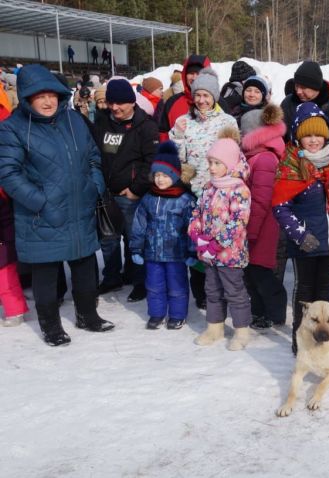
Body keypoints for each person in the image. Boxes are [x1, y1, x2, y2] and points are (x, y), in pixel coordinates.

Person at [0, 64, 112, 346]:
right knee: (46, 275)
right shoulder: (12, 128)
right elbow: (8, 174)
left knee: (85, 267)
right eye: (40, 96)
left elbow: (93, 157)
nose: (48, 101)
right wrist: (40, 201)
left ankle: (88, 315)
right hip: (41, 216)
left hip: (80, 208)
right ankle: (51, 326)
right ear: (27, 97)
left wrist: (94, 186)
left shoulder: (73, 120)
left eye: (52, 94)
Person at [272, 102, 329, 355]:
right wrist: (299, 234)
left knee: (325, 291)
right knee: (305, 292)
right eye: (308, 135)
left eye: (318, 134)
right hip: (306, 242)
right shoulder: (291, 164)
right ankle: (301, 337)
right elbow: (280, 206)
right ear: (298, 137)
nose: (314, 140)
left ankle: (324, 335)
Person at [170, 67, 238, 310]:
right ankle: (202, 294)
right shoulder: (184, 122)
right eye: (197, 95)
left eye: (206, 95)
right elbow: (177, 158)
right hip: (194, 194)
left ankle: (225, 293)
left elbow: (234, 157)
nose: (201, 100)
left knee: (221, 244)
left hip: (221, 194)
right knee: (197, 245)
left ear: (215, 97)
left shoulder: (227, 122)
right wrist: (177, 138)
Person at [93, 78, 158, 303]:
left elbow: (152, 163)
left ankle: (140, 281)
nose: (115, 108)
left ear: (131, 102)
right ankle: (111, 277)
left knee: (135, 240)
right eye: (111, 103)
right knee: (108, 240)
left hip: (131, 196)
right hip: (106, 194)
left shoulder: (146, 126)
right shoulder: (103, 123)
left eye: (120, 103)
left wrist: (136, 189)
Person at [189, 130, 252, 351]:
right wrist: (196, 234)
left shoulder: (239, 189)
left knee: (234, 291)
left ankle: (241, 330)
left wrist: (219, 243)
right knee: (212, 290)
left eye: (217, 163)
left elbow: (239, 220)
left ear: (230, 164)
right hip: (208, 252)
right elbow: (197, 213)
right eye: (210, 162)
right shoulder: (209, 188)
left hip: (229, 253)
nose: (212, 168)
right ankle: (214, 328)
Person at [130, 142, 195, 330]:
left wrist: (192, 252)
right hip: (152, 252)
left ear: (174, 176)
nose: (160, 179)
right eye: (157, 175)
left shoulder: (185, 200)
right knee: (154, 285)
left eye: (165, 175)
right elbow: (139, 224)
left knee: (177, 286)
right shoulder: (148, 198)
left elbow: (192, 227)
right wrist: (136, 247)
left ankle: (177, 315)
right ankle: (157, 314)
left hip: (176, 253)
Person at [239, 104, 288, 329]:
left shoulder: (265, 159)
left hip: (263, 225)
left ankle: (275, 312)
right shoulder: (254, 157)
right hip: (255, 224)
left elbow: (262, 199)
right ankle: (259, 311)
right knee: (252, 271)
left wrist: (252, 230)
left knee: (261, 272)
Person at [280, 61, 329, 142]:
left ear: (316, 87)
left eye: (303, 87)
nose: (298, 91)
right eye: (296, 86)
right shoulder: (288, 103)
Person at [159, 54, 212, 142]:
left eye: (198, 73)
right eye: (191, 73)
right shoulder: (172, 102)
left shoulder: (218, 103)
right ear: (184, 75)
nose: (194, 77)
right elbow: (163, 134)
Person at [0, 187, 28, 327]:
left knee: (6, 280)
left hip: (4, 243)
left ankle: (16, 312)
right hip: (5, 241)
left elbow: (5, 220)